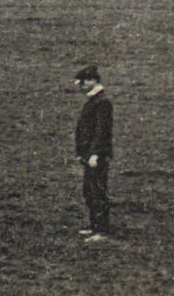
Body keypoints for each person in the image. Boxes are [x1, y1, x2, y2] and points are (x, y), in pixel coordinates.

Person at [74, 64, 113, 241]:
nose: (81, 87)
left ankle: (102, 230)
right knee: (89, 191)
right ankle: (94, 225)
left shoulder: (102, 102)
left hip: (96, 156)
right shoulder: (95, 100)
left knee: (97, 191)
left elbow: (101, 131)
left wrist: (95, 154)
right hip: (89, 155)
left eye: (83, 83)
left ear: (92, 81)